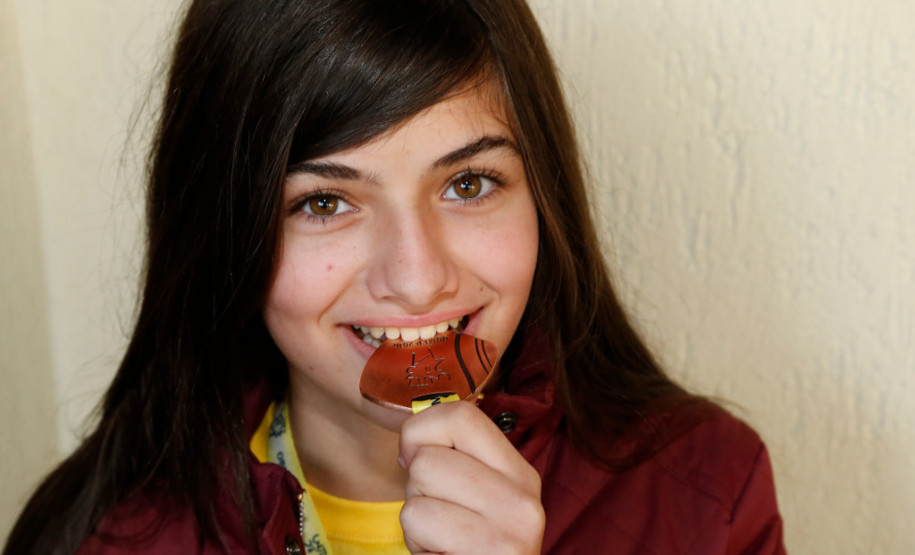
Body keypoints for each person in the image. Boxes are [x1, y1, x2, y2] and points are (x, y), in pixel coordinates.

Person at [4, 0, 785, 553]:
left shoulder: (707, 490)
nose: (417, 281)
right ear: (222, 229)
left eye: (469, 183)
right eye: (324, 201)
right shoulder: (96, 537)